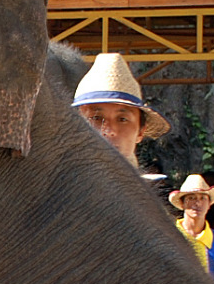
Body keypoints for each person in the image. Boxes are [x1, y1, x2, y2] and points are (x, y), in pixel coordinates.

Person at [72, 52, 171, 198]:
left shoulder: (150, 207)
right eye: (97, 118)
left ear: (140, 131)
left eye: (122, 119)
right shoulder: (49, 196)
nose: (109, 131)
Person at [169, 175, 214, 284]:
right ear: (182, 204)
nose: (197, 203)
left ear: (209, 204)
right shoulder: (168, 237)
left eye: (203, 198)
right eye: (191, 198)